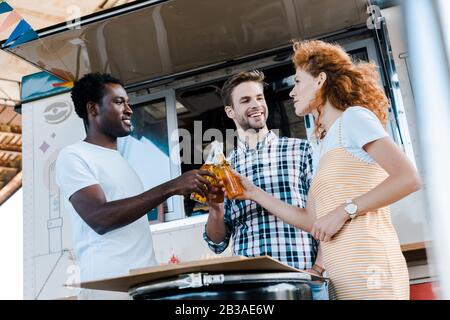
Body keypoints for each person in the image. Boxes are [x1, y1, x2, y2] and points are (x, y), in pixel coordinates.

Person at [232, 41, 422, 300]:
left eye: (298, 82)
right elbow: (312, 220)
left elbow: (408, 178)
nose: (291, 92)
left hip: (370, 266)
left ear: (320, 79)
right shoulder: (321, 146)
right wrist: (254, 193)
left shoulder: (354, 118)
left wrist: (345, 211)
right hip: (341, 276)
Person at [55, 73, 214, 283]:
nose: (129, 110)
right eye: (119, 102)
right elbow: (99, 218)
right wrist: (171, 187)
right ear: (93, 109)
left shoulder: (122, 162)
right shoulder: (73, 155)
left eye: (128, 103)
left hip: (140, 282)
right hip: (108, 286)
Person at [203, 71, 328, 299]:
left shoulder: (301, 151)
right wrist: (216, 209)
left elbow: (327, 218)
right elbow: (217, 243)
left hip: (302, 280)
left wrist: (318, 269)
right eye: (245, 100)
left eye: (259, 98)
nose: (256, 105)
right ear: (229, 111)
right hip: (250, 289)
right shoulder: (224, 168)